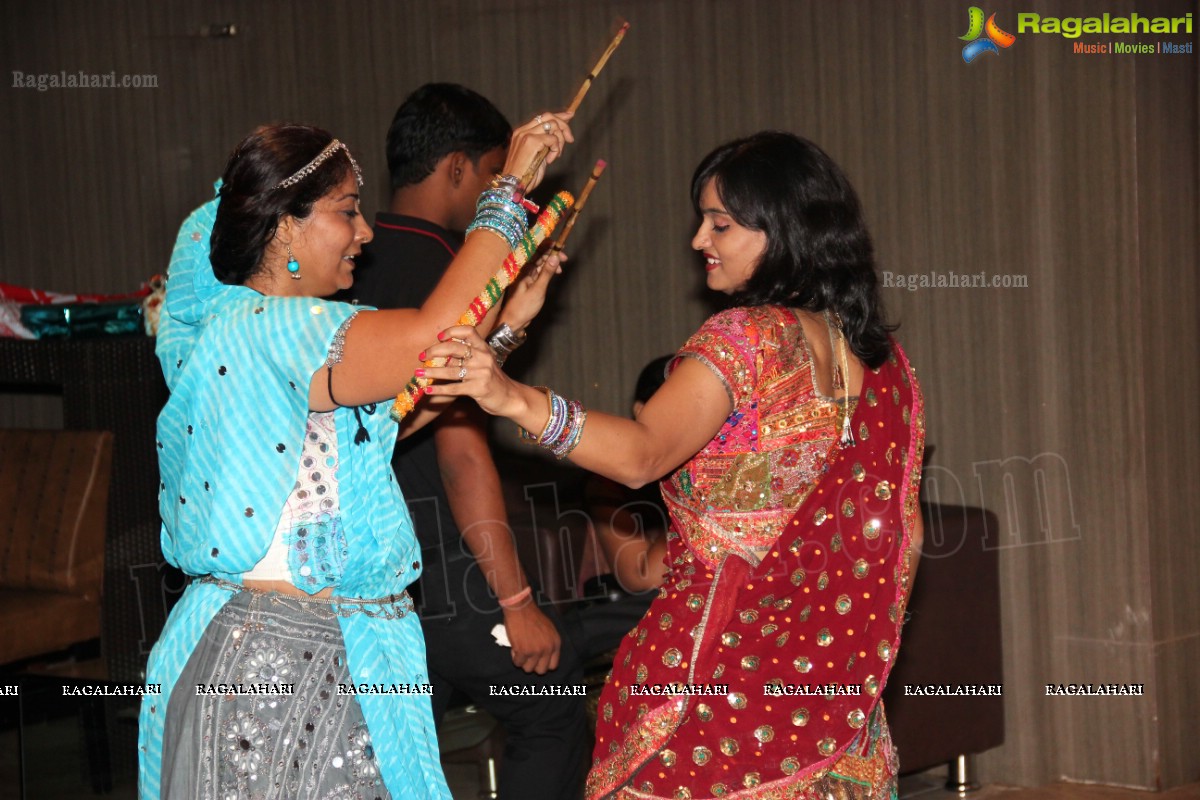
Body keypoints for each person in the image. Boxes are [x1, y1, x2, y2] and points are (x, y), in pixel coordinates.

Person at [419, 131, 926, 799]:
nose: (698, 240)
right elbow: (903, 535)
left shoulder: (748, 338)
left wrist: (510, 396)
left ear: (784, 229)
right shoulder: (885, 368)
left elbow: (641, 455)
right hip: (829, 698)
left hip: (706, 684)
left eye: (721, 223)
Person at [138, 111, 573, 800]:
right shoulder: (281, 328)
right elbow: (434, 336)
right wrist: (510, 188)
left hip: (296, 652)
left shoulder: (255, 337)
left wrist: (504, 331)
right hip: (283, 663)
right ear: (285, 225)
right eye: (347, 212)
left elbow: (395, 418)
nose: (365, 233)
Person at [346, 83, 586, 799]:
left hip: (373, 569)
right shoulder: (446, 273)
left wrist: (506, 330)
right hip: (436, 564)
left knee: (398, 745)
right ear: (458, 170)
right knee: (552, 706)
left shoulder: (353, 270)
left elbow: (411, 407)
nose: (354, 228)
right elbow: (457, 448)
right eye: (490, 179)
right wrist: (514, 599)